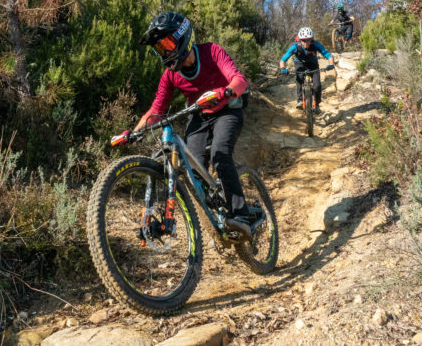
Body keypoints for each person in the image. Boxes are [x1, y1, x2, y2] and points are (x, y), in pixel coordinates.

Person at [119, 12, 251, 232]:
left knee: (220, 154)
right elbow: (156, 110)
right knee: (194, 171)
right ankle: (216, 212)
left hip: (227, 110)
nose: (165, 53)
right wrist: (133, 132)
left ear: (183, 37)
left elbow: (239, 80)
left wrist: (225, 91)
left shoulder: (211, 51)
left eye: (167, 45)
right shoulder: (170, 75)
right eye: (159, 49)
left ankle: (241, 216)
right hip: (199, 116)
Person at [278, 27, 333, 113]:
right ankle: (300, 100)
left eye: (309, 40)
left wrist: (331, 64)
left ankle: (317, 105)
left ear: (311, 39)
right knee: (299, 80)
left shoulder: (315, 44)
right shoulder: (295, 46)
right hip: (299, 64)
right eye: (304, 40)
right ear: (300, 40)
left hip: (313, 64)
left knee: (317, 85)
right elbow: (283, 59)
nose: (307, 42)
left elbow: (327, 54)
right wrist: (283, 68)